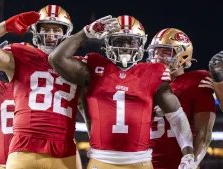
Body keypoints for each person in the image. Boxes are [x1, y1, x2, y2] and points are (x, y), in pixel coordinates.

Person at [49, 15, 196, 169]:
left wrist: (188, 153)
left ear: (140, 44)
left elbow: (177, 116)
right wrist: (86, 33)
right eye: (119, 41)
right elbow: (56, 58)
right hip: (101, 160)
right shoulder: (94, 67)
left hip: (140, 161)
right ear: (108, 43)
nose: (125, 46)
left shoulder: (153, 73)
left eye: (131, 41)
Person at [0, 5, 81, 169]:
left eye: (56, 30)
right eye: (45, 28)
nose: (51, 34)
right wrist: (5, 26)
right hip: (24, 148)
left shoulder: (78, 65)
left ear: (65, 33)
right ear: (36, 31)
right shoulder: (21, 56)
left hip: (64, 151)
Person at [147, 28, 216, 169]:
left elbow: (204, 133)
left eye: (165, 51)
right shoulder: (146, 83)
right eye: (155, 51)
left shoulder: (196, 81)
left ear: (183, 55)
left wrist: (192, 163)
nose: (158, 56)